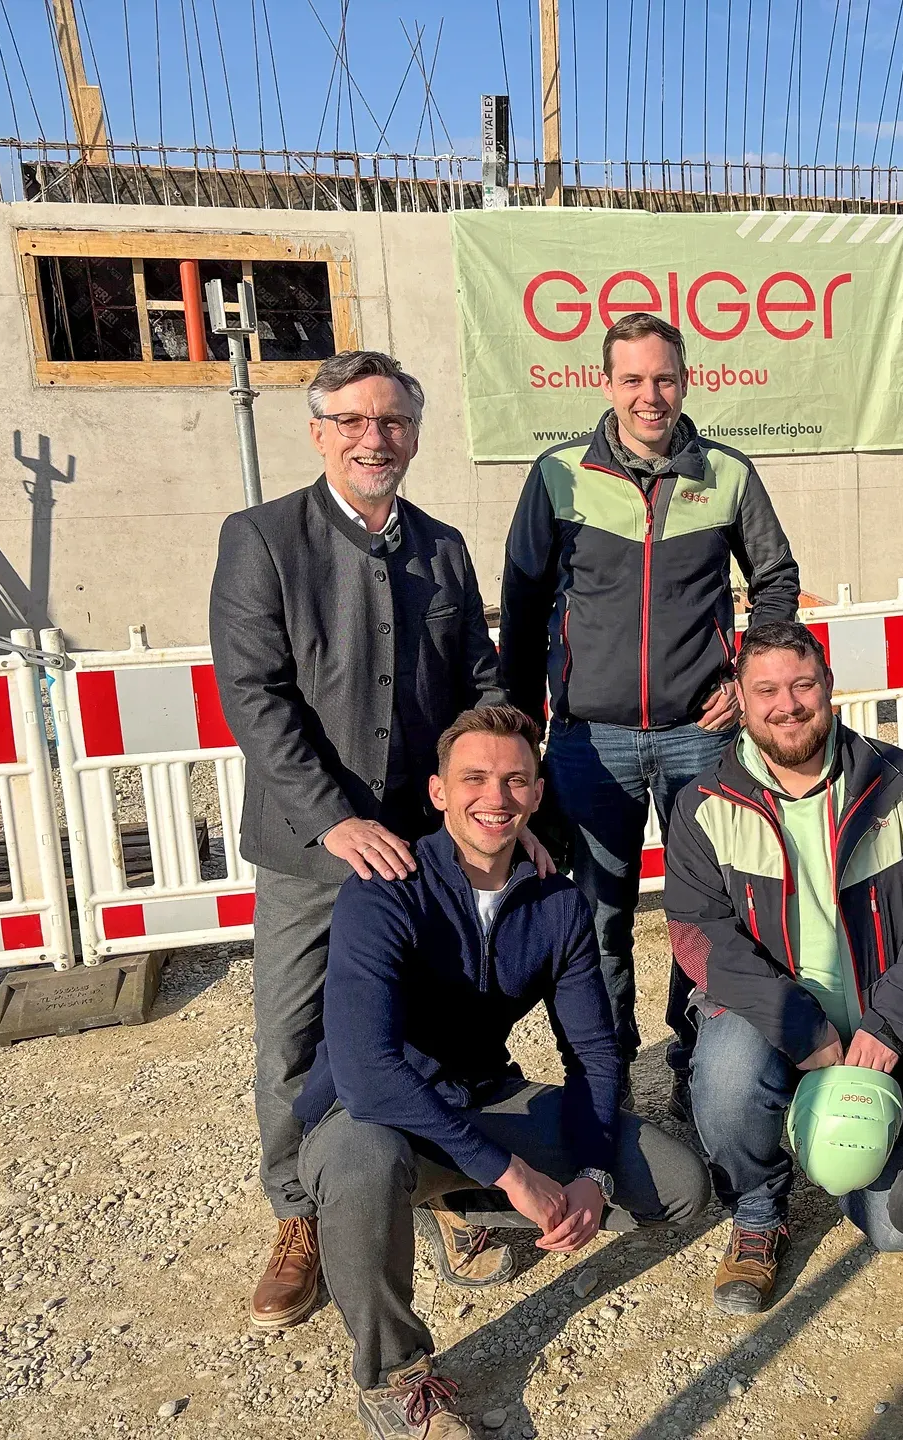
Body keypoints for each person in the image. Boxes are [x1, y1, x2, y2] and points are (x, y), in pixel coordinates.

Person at [210, 349, 547, 1331]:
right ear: (318, 432)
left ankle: (432, 1188)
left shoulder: (439, 547)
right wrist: (334, 818)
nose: (374, 438)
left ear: (414, 433)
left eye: (393, 421)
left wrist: (498, 798)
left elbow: (482, 681)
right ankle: (300, 1212)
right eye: (353, 421)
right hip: (315, 850)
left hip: (423, 852)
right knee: (293, 1035)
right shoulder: (262, 541)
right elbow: (257, 697)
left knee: (433, 1028)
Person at [293, 706, 710, 1439]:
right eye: (475, 778)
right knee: (364, 1164)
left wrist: (589, 1170)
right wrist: (514, 1174)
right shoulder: (383, 889)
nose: (497, 795)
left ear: (538, 794)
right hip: (373, 1118)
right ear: (438, 792)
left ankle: (452, 1201)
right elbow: (366, 1072)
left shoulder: (556, 903)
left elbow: (596, 1053)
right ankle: (395, 1377)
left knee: (680, 1185)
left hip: (483, 1098)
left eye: (516, 779)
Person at [500, 312, 802, 1118]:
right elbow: (524, 608)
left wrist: (747, 677)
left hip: (699, 738)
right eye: (632, 379)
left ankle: (700, 1064)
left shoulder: (728, 474)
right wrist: (522, 727)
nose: (649, 396)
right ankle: (607, 1080)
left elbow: (776, 580)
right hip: (587, 744)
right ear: (605, 385)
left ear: (686, 380)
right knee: (597, 916)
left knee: (709, 911)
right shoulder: (558, 475)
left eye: (663, 378)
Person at [660, 621, 903, 1314]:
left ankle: (845, 1147)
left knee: (895, 1228)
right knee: (730, 1078)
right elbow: (697, 934)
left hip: (885, 1029)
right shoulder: (703, 805)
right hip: (775, 1019)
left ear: (829, 688)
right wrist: (799, 1024)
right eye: (765, 689)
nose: (787, 705)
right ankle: (759, 1210)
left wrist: (889, 1024)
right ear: (738, 697)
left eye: (802, 685)